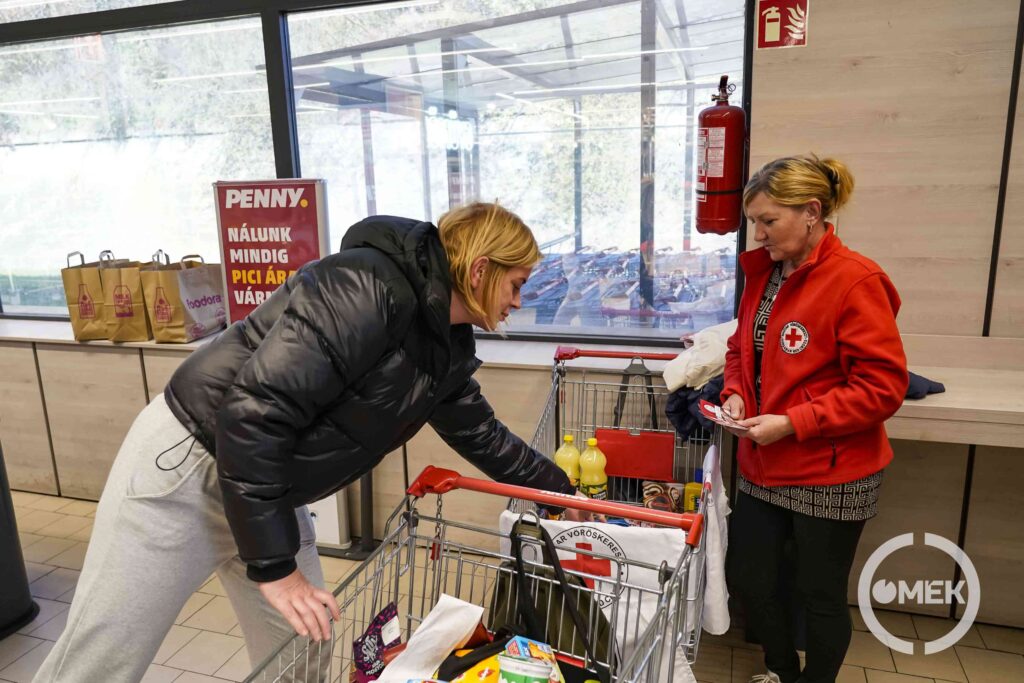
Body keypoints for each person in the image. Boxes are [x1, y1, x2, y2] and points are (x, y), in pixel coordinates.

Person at [33, 202, 579, 683]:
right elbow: (254, 413)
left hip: (266, 487)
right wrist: (275, 568)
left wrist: (569, 498)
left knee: (303, 649)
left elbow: (482, 435)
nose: (518, 300)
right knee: (102, 659)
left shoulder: (445, 343)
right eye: (517, 283)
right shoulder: (366, 288)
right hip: (191, 465)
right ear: (481, 270)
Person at [720, 156, 908, 683]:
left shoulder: (856, 280)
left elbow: (881, 388)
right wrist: (736, 392)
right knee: (751, 580)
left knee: (818, 594)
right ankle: (780, 670)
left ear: (811, 212)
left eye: (767, 221)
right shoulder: (767, 273)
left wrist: (794, 422)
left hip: (832, 470)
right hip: (764, 461)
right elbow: (740, 348)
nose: (757, 235)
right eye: (752, 222)